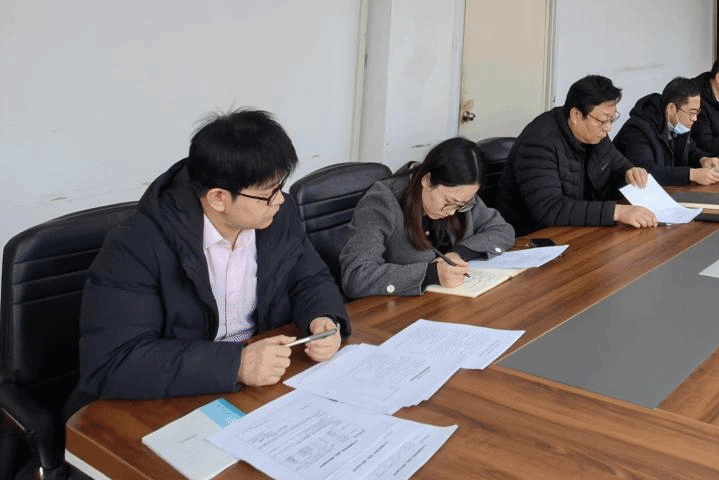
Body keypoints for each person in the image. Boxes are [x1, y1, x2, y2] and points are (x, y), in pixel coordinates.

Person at [77, 109, 347, 403]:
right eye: (268, 193)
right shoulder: (137, 245)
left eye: (280, 186)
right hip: (172, 396)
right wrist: (236, 364)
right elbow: (115, 361)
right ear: (218, 198)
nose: (280, 199)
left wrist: (324, 316)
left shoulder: (277, 215)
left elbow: (310, 279)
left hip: (259, 383)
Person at [340, 137, 516, 298]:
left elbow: (503, 230)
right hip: (398, 309)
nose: (452, 212)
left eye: (462, 205)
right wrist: (430, 274)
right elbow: (356, 276)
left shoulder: (461, 197)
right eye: (449, 202)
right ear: (427, 180)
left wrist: (459, 253)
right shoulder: (381, 202)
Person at [495, 74, 657, 234]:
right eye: (603, 120)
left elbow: (617, 164)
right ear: (576, 115)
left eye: (611, 119)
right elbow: (550, 208)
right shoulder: (538, 142)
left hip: (579, 228)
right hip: (536, 236)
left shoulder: (596, 135)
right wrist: (616, 212)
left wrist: (630, 171)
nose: (608, 128)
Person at [613, 77, 719, 187]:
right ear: (671, 109)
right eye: (691, 113)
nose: (695, 118)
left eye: (697, 112)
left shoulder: (677, 124)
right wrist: (691, 174)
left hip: (668, 190)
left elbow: (690, 149)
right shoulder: (638, 129)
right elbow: (645, 171)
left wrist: (703, 159)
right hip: (628, 195)